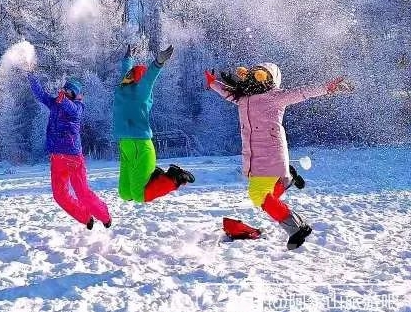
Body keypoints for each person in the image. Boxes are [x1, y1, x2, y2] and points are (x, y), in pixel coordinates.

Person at [205, 63, 350, 249]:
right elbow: (228, 92)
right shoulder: (243, 99)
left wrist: (326, 87)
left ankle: (296, 228)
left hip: (272, 153)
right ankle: (286, 181)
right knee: (266, 197)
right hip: (253, 157)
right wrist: (213, 83)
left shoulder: (276, 97)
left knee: (258, 195)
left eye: (263, 74)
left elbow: (302, 92)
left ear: (271, 80)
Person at [28, 73, 112, 230]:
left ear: (75, 94)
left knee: (82, 193)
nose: (65, 91)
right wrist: (30, 75)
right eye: (64, 89)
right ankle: (85, 217)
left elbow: (73, 110)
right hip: (56, 158)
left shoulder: (78, 107)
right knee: (59, 195)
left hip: (73, 158)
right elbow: (40, 94)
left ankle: (105, 216)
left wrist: (65, 100)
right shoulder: (55, 104)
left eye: (69, 91)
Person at [114, 44, 195, 203]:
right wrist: (127, 58)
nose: (127, 77)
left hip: (141, 147)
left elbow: (149, 78)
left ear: (137, 79)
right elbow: (125, 71)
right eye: (128, 75)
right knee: (125, 194)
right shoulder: (121, 89)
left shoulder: (141, 91)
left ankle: (175, 177)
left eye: (131, 75)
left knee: (138, 196)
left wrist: (158, 62)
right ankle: (155, 175)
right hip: (125, 147)